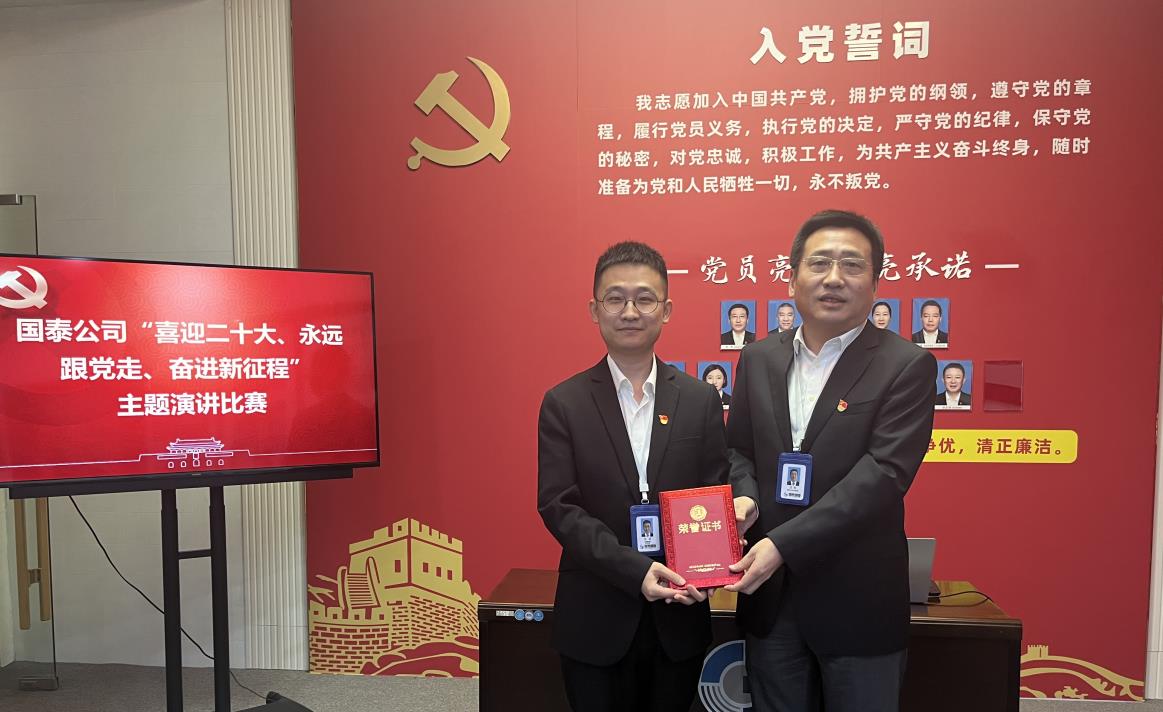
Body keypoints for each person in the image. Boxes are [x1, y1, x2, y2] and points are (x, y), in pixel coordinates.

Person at [725, 210, 937, 712]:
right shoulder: (758, 358)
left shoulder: (906, 365)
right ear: (792, 278)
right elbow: (738, 449)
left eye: (852, 265)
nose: (834, 278)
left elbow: (883, 476)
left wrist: (782, 544)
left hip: (858, 599)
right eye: (819, 263)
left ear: (875, 283)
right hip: (772, 600)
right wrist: (745, 494)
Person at [537, 241, 730, 712]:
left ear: (666, 310)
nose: (629, 312)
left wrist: (709, 567)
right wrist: (635, 570)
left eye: (644, 299)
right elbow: (560, 507)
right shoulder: (564, 403)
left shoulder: (700, 400)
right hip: (595, 614)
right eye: (615, 299)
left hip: (679, 614)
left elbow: (714, 492)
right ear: (594, 310)